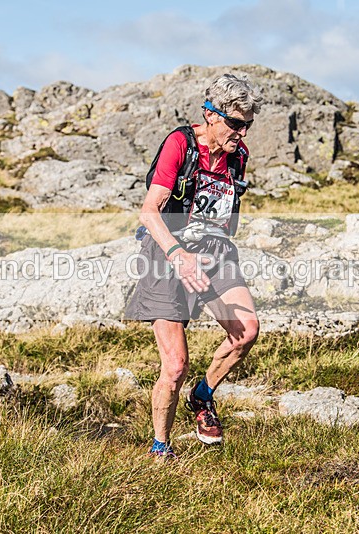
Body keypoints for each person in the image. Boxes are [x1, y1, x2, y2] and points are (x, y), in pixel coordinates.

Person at [126, 74, 263, 458]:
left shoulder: (239, 157)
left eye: (248, 124)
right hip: (166, 253)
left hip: (215, 251)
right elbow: (149, 211)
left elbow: (227, 216)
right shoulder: (180, 144)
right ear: (210, 115)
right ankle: (160, 447)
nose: (242, 132)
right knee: (175, 365)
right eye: (235, 123)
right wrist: (178, 255)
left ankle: (203, 397)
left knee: (247, 331)